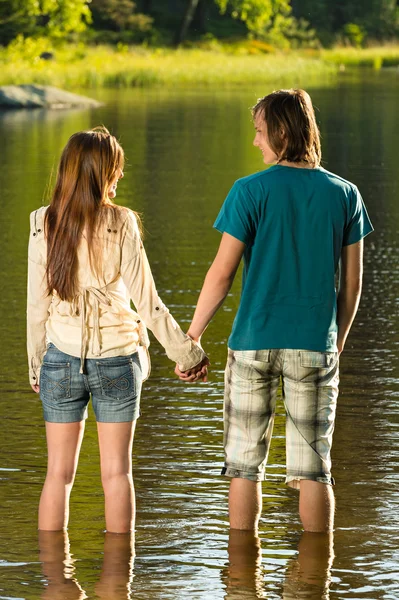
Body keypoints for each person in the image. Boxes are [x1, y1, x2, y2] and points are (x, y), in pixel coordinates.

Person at [176, 89, 373, 533]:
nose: (255, 142)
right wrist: (336, 340)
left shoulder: (250, 191)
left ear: (282, 132)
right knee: (313, 469)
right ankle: (314, 580)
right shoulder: (346, 193)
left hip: (252, 345)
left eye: (260, 132)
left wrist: (192, 338)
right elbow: (354, 282)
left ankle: (243, 582)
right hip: (314, 348)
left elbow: (221, 275)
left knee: (244, 467)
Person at [27, 126, 208, 534]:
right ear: (99, 173)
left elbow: (36, 306)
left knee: (58, 475)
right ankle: (116, 585)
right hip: (117, 362)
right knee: (116, 475)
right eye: (116, 168)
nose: (121, 176)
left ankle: (55, 584)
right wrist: (188, 353)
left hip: (60, 360)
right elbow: (148, 302)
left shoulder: (43, 222)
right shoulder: (121, 222)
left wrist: (36, 365)